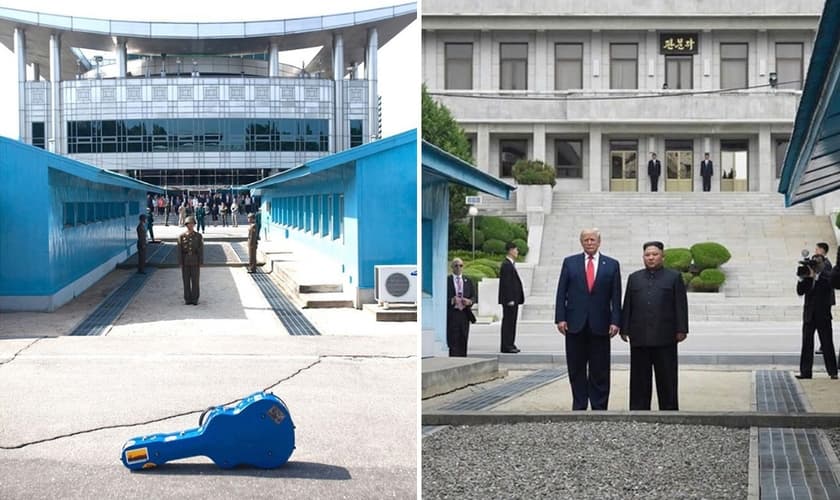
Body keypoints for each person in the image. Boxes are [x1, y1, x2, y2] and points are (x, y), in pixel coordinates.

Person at [555, 229, 622, 410]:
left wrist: (616, 321)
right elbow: (561, 292)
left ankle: (599, 406)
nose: (589, 243)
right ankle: (579, 405)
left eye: (593, 239)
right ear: (581, 242)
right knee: (576, 367)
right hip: (574, 324)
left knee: (600, 368)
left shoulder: (612, 264)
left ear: (599, 241)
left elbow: (616, 296)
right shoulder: (570, 263)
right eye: (586, 240)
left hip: (601, 325)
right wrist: (560, 318)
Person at [620, 241, 689, 410]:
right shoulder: (634, 278)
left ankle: (669, 411)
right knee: (639, 379)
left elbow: (680, 305)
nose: (651, 258)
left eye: (655, 254)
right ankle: (638, 411)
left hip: (665, 336)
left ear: (662, 256)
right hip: (639, 337)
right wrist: (624, 328)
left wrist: (682, 329)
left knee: (667, 378)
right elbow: (628, 304)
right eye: (647, 255)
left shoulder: (674, 277)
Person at [795, 253, 838, 379]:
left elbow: (829, 285)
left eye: (817, 262)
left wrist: (816, 276)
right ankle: (805, 372)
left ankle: (833, 372)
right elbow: (800, 292)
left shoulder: (827, 275)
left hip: (823, 315)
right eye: (813, 262)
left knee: (827, 343)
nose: (815, 265)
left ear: (823, 264)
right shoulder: (808, 276)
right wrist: (802, 278)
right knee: (806, 344)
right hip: (809, 315)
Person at [447, 258, 476, 357]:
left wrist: (469, 301)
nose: (458, 268)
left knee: (463, 337)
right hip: (452, 313)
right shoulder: (447, 281)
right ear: (452, 267)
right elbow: (441, 297)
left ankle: (463, 357)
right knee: (453, 338)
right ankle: (454, 357)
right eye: (456, 265)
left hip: (464, 313)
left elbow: (474, 296)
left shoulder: (468, 280)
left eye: (461, 265)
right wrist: (452, 300)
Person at [498, 241, 525, 353]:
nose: (517, 251)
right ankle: (506, 345)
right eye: (516, 249)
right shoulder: (506, 265)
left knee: (512, 322)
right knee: (508, 323)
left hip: (514, 299)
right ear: (510, 250)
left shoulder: (510, 264)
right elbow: (506, 284)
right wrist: (509, 299)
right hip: (510, 300)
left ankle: (510, 343)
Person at [177, 216, 204, 305]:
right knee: (186, 280)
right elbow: (179, 250)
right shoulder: (181, 236)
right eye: (189, 224)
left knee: (195, 281)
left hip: (195, 260)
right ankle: (187, 299)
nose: (190, 225)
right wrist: (180, 262)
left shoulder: (198, 236)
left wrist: (201, 261)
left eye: (192, 224)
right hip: (185, 261)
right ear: (186, 225)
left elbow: (200, 249)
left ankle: (195, 299)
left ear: (194, 225)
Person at [814, 242, 832, 355]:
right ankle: (823, 345)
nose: (815, 251)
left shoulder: (826, 264)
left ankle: (824, 346)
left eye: (817, 249)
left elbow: (827, 279)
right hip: (822, 300)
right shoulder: (822, 263)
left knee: (824, 325)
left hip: (825, 300)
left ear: (822, 250)